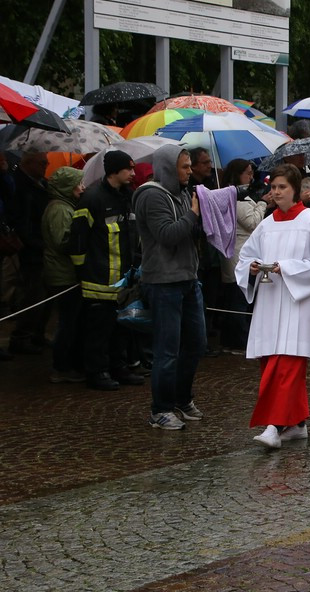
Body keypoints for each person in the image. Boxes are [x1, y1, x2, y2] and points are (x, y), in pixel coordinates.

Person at [237, 164, 310, 449]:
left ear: (296, 192)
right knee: (270, 361)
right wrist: (252, 268)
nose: (276, 192)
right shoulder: (267, 223)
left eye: (282, 188)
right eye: (274, 187)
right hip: (269, 302)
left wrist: (287, 268)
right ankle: (297, 423)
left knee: (287, 365)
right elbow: (245, 257)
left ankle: (274, 425)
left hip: (296, 304)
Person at [133, 144, 206, 431]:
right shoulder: (151, 196)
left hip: (188, 279)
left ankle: (181, 398)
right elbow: (167, 235)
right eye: (185, 167)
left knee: (196, 343)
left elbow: (192, 231)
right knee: (167, 350)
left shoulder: (182, 193)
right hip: (163, 282)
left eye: (190, 166)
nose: (190, 171)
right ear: (167, 167)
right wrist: (194, 214)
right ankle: (160, 409)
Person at [69, 151, 144, 390]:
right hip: (98, 279)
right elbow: (78, 238)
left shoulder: (128, 197)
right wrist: (84, 270)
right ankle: (96, 371)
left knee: (121, 328)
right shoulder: (92, 199)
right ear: (114, 171)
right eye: (128, 169)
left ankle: (118, 367)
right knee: (98, 330)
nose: (133, 173)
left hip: (124, 279)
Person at [219, 159, 268, 355]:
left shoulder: (242, 195)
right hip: (238, 252)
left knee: (239, 297)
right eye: (247, 173)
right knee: (238, 298)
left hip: (241, 250)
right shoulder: (235, 196)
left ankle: (236, 337)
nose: (251, 177)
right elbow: (252, 222)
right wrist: (264, 202)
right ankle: (237, 340)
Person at [42, 167, 85, 384]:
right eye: (78, 184)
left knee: (71, 321)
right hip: (62, 274)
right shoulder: (60, 209)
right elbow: (62, 241)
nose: (82, 187)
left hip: (65, 272)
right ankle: (62, 366)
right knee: (68, 322)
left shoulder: (66, 206)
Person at [7, 150, 51, 355]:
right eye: (43, 163)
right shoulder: (19, 185)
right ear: (29, 163)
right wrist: (34, 243)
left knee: (42, 294)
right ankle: (22, 337)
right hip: (31, 247)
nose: (46, 166)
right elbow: (20, 219)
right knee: (32, 293)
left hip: (39, 244)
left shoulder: (40, 184)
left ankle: (36, 334)